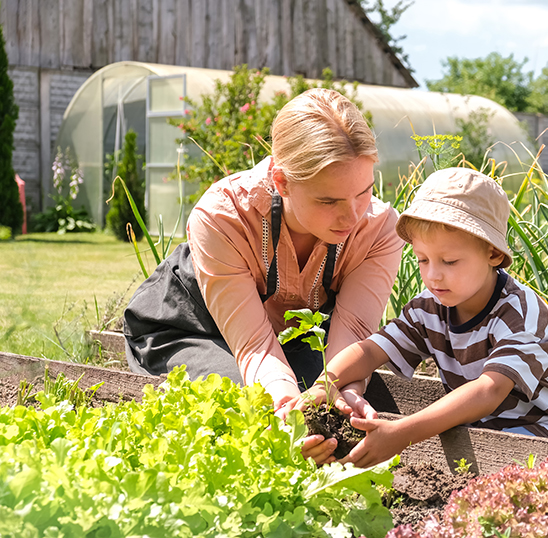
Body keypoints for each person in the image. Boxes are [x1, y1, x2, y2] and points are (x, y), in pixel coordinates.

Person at [123, 89, 403, 462]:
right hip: (188, 329)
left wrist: (341, 389)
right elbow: (254, 345)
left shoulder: (379, 230)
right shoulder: (222, 216)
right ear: (282, 182)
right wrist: (288, 405)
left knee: (338, 406)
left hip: (285, 340)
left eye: (363, 192)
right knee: (249, 403)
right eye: (329, 201)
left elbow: (351, 330)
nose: (352, 217)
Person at [301, 167, 548, 468]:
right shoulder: (430, 308)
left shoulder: (519, 316)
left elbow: (488, 391)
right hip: (485, 429)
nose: (433, 275)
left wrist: (403, 433)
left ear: (493, 254)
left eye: (450, 261)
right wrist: (324, 383)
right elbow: (372, 349)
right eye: (422, 259)